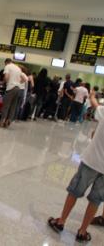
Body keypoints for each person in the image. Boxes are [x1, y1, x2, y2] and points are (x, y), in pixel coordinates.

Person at [48, 88, 104, 243]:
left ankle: (61, 221)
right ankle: (82, 231)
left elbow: (94, 105)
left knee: (74, 191)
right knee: (96, 200)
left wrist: (92, 95)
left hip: (92, 161)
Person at [0, 58, 27, 128]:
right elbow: (25, 79)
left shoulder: (7, 66)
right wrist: (18, 83)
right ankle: (8, 121)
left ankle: (2, 122)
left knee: (6, 105)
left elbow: (6, 77)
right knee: (13, 106)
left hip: (11, 88)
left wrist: (4, 82)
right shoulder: (18, 68)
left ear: (6, 62)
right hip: (18, 88)